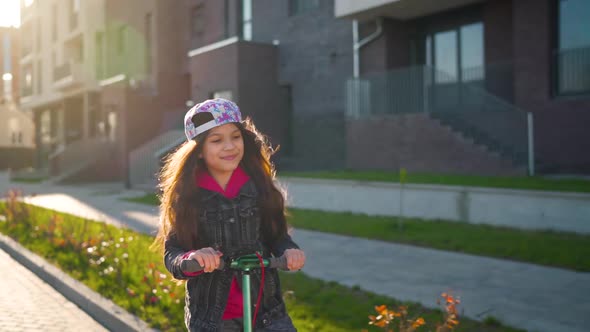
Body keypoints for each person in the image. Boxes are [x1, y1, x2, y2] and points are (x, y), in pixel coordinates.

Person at [153, 98, 305, 331]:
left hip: (267, 313)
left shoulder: (259, 188)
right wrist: (192, 259)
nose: (229, 146)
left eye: (235, 137)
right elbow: (173, 255)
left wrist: (288, 251)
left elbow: (277, 236)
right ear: (200, 151)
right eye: (216, 140)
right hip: (215, 319)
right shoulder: (188, 199)